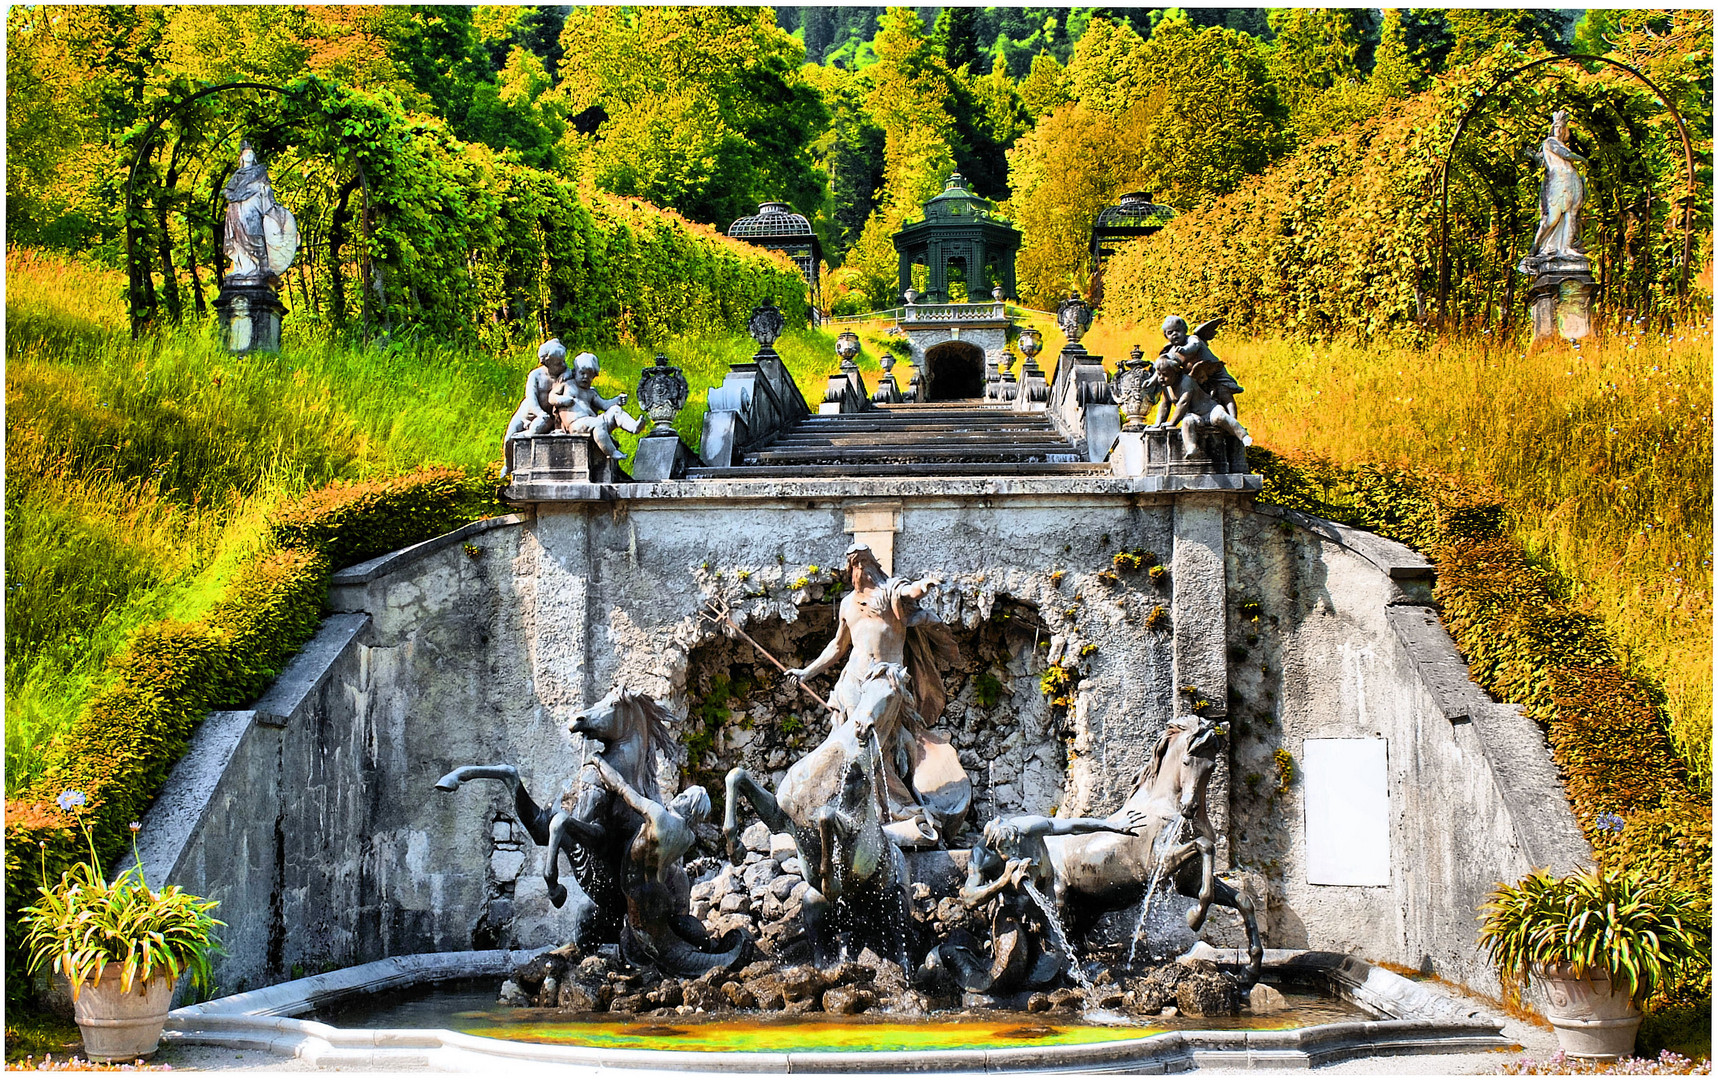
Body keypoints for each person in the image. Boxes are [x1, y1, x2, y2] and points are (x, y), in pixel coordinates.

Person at [786, 543, 969, 846]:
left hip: (886, 681)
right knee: (846, 749)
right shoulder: (847, 604)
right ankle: (848, 811)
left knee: (879, 750)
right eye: (854, 567)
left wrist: (923, 587)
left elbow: (909, 593)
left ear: (872, 567)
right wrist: (806, 672)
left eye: (863, 565)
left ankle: (890, 813)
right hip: (851, 683)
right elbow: (837, 647)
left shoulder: (889, 594)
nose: (859, 572)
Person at [501, 339, 572, 478]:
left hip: (548, 417)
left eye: (564, 361)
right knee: (509, 437)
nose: (563, 365)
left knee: (534, 432)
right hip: (528, 412)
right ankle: (507, 464)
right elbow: (531, 398)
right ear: (546, 362)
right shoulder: (536, 375)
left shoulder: (565, 373)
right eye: (559, 363)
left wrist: (568, 373)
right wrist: (539, 412)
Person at [556, 351, 644, 461]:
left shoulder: (591, 392)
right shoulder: (567, 385)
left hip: (593, 423)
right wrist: (562, 400)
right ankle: (611, 452)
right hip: (576, 424)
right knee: (597, 423)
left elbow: (604, 405)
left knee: (615, 410)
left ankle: (633, 427)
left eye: (590, 376)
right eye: (582, 373)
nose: (585, 377)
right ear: (574, 372)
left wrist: (616, 400)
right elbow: (551, 397)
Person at [1160, 316, 1242, 419]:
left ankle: (1233, 418)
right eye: (1170, 333)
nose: (1174, 334)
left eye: (1177, 330)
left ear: (1185, 330)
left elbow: (1195, 345)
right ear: (1166, 336)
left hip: (1214, 372)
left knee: (1224, 393)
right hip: (1198, 378)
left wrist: (1184, 350)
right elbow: (1166, 364)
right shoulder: (1172, 351)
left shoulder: (1192, 339)